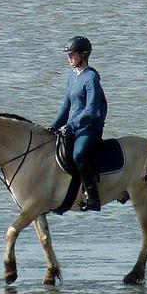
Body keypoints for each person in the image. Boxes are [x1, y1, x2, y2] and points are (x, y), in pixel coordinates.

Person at [51, 35, 108, 211]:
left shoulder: (91, 78)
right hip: (72, 128)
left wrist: (70, 126)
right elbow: (66, 105)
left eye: (72, 54)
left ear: (83, 55)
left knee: (78, 154)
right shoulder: (72, 76)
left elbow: (92, 110)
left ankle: (93, 197)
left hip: (89, 129)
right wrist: (52, 126)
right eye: (68, 55)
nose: (69, 57)